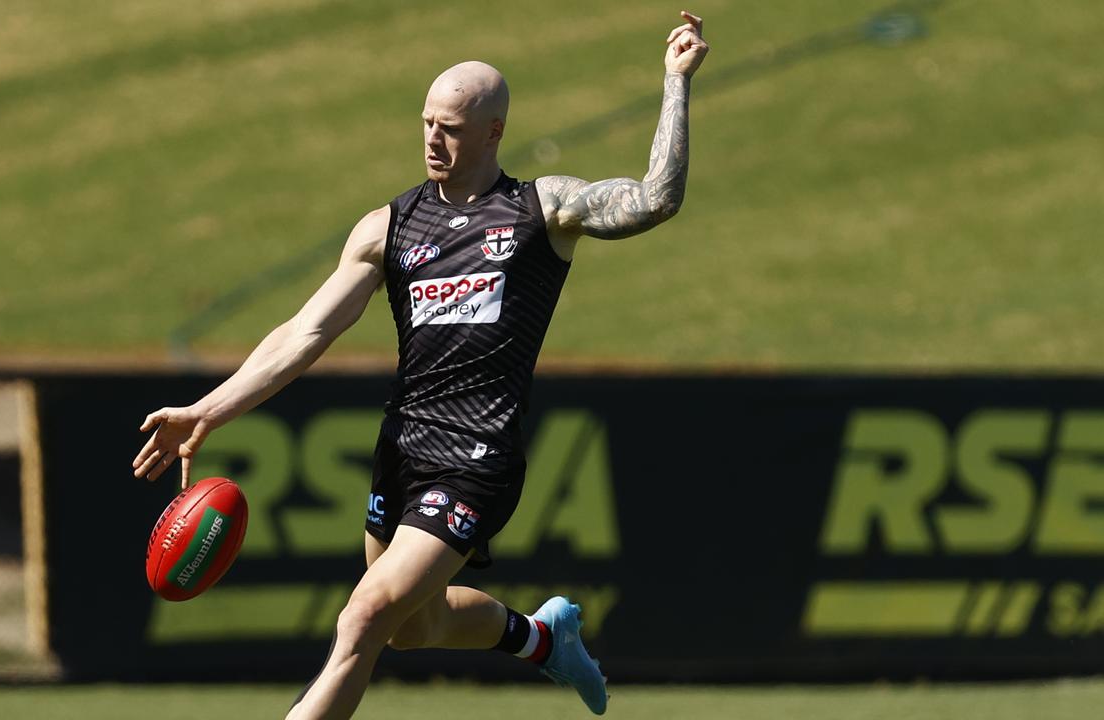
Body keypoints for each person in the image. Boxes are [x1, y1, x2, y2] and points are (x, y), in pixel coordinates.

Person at [133, 11, 708, 719]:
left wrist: (674, 82)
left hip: (478, 456)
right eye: (427, 123)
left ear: (494, 131)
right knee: (415, 629)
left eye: (453, 128)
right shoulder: (388, 227)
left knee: (364, 615)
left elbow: (656, 198)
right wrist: (207, 410)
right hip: (402, 451)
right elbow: (304, 331)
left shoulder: (540, 210)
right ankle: (540, 638)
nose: (434, 140)